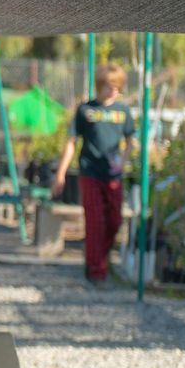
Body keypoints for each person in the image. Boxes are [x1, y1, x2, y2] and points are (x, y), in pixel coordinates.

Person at [51, 63, 135, 286]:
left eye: (118, 86)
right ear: (100, 85)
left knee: (115, 221)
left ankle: (100, 260)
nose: (114, 90)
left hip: (113, 176)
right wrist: (60, 174)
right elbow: (71, 142)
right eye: (110, 86)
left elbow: (130, 142)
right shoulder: (85, 110)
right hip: (90, 173)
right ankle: (96, 271)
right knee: (95, 222)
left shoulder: (123, 112)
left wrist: (123, 163)